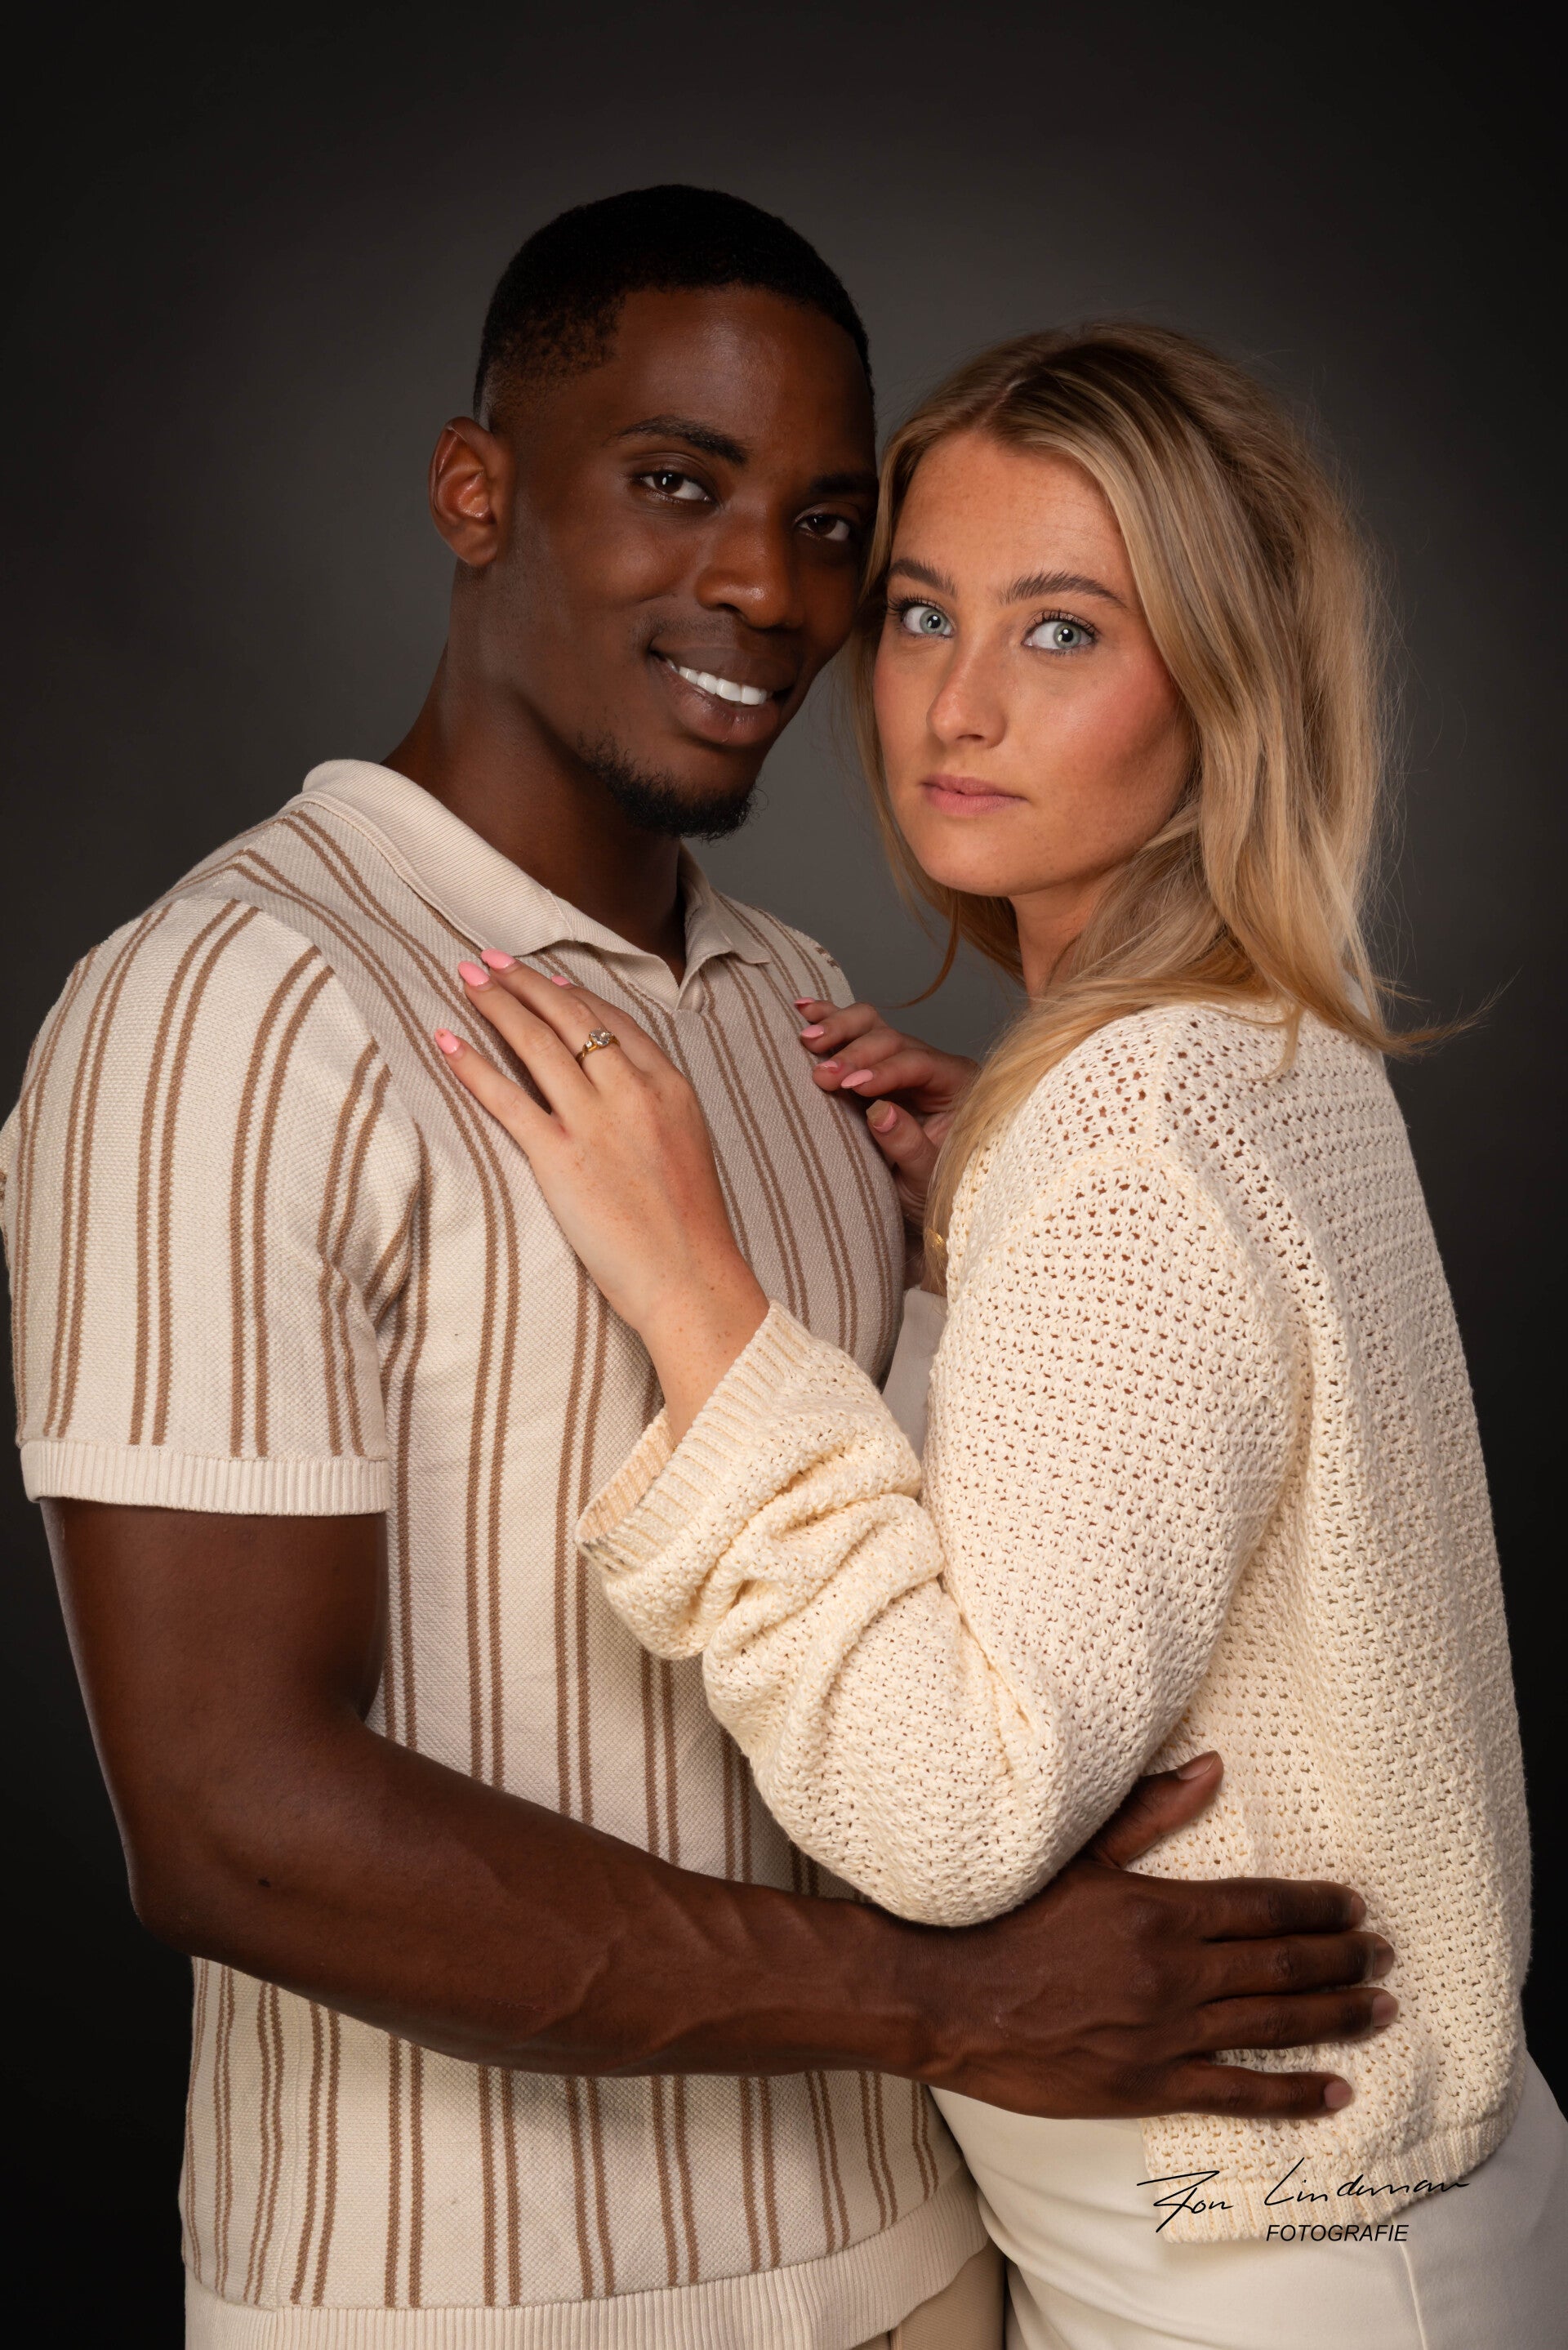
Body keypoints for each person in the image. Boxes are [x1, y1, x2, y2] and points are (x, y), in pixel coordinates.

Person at [1, 198, 1394, 2350]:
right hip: (479, 2305)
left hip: (934, 2256)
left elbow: (953, 1610)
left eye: (832, 525)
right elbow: (231, 1819)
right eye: (679, 482)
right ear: (476, 490)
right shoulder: (228, 1009)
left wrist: (1001, 1208)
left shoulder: (795, 1003)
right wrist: (943, 1995)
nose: (769, 586)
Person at [436, 321, 1564, 2347]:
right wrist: (995, 1189)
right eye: (922, 611)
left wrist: (700, 1294)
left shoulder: (1132, 1128)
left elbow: (956, 1815)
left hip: (1260, 2266)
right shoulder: (1249, 1045)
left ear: (1223, 686)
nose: (954, 702)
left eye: (1062, 630)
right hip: (1306, 2220)